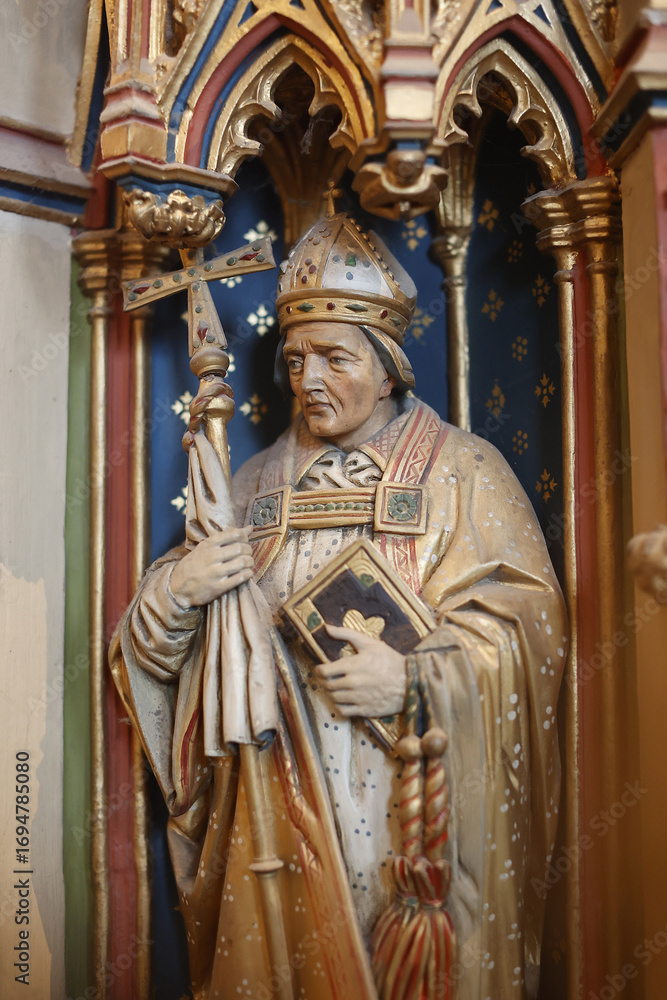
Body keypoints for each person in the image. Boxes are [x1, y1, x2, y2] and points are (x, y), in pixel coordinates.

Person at [111, 210, 567, 1000]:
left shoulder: (462, 472)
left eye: (333, 358)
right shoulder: (248, 485)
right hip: (268, 806)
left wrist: (418, 683)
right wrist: (178, 593)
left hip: (406, 809)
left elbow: (530, 634)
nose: (307, 379)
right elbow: (163, 658)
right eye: (293, 361)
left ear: (388, 365)